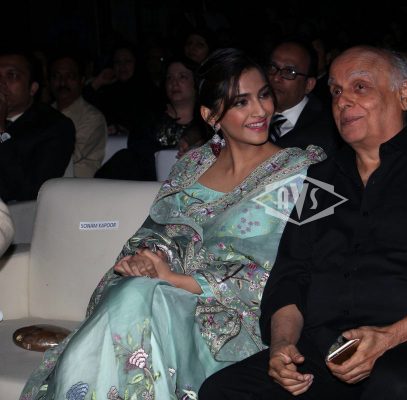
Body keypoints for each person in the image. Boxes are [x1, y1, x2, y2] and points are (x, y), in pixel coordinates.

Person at [199, 46, 407, 400]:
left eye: (359, 87)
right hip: (326, 346)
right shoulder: (323, 179)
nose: (343, 101)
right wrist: (283, 346)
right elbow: (291, 274)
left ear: (404, 93)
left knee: (389, 383)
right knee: (223, 390)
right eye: (335, 91)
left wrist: (389, 337)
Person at [20, 48, 325, 400]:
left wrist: (177, 280)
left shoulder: (303, 171)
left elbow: (299, 269)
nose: (260, 110)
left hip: (235, 320)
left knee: (138, 297)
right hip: (161, 298)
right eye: (241, 102)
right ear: (211, 115)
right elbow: (155, 234)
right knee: (134, 291)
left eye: (264, 95)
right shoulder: (191, 165)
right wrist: (146, 261)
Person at [96, 57, 202, 180]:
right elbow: (138, 152)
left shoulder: (208, 123)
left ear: (196, 83)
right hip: (148, 184)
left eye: (182, 77)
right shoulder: (151, 119)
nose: (174, 83)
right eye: (169, 78)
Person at [0, 49, 75, 201]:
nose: (1, 83)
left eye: (11, 75)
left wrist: (0, 130)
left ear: (32, 88)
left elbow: (30, 192)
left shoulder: (54, 126)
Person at [266, 39, 341, 156]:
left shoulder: (328, 130)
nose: (275, 78)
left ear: (308, 85)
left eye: (289, 72)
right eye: (272, 67)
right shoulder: (248, 112)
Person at [49, 54, 108, 178]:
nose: (62, 82)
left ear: (81, 81)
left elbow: (65, 156)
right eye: (57, 76)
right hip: (46, 182)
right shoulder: (43, 113)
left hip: (77, 186)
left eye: (70, 76)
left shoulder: (92, 117)